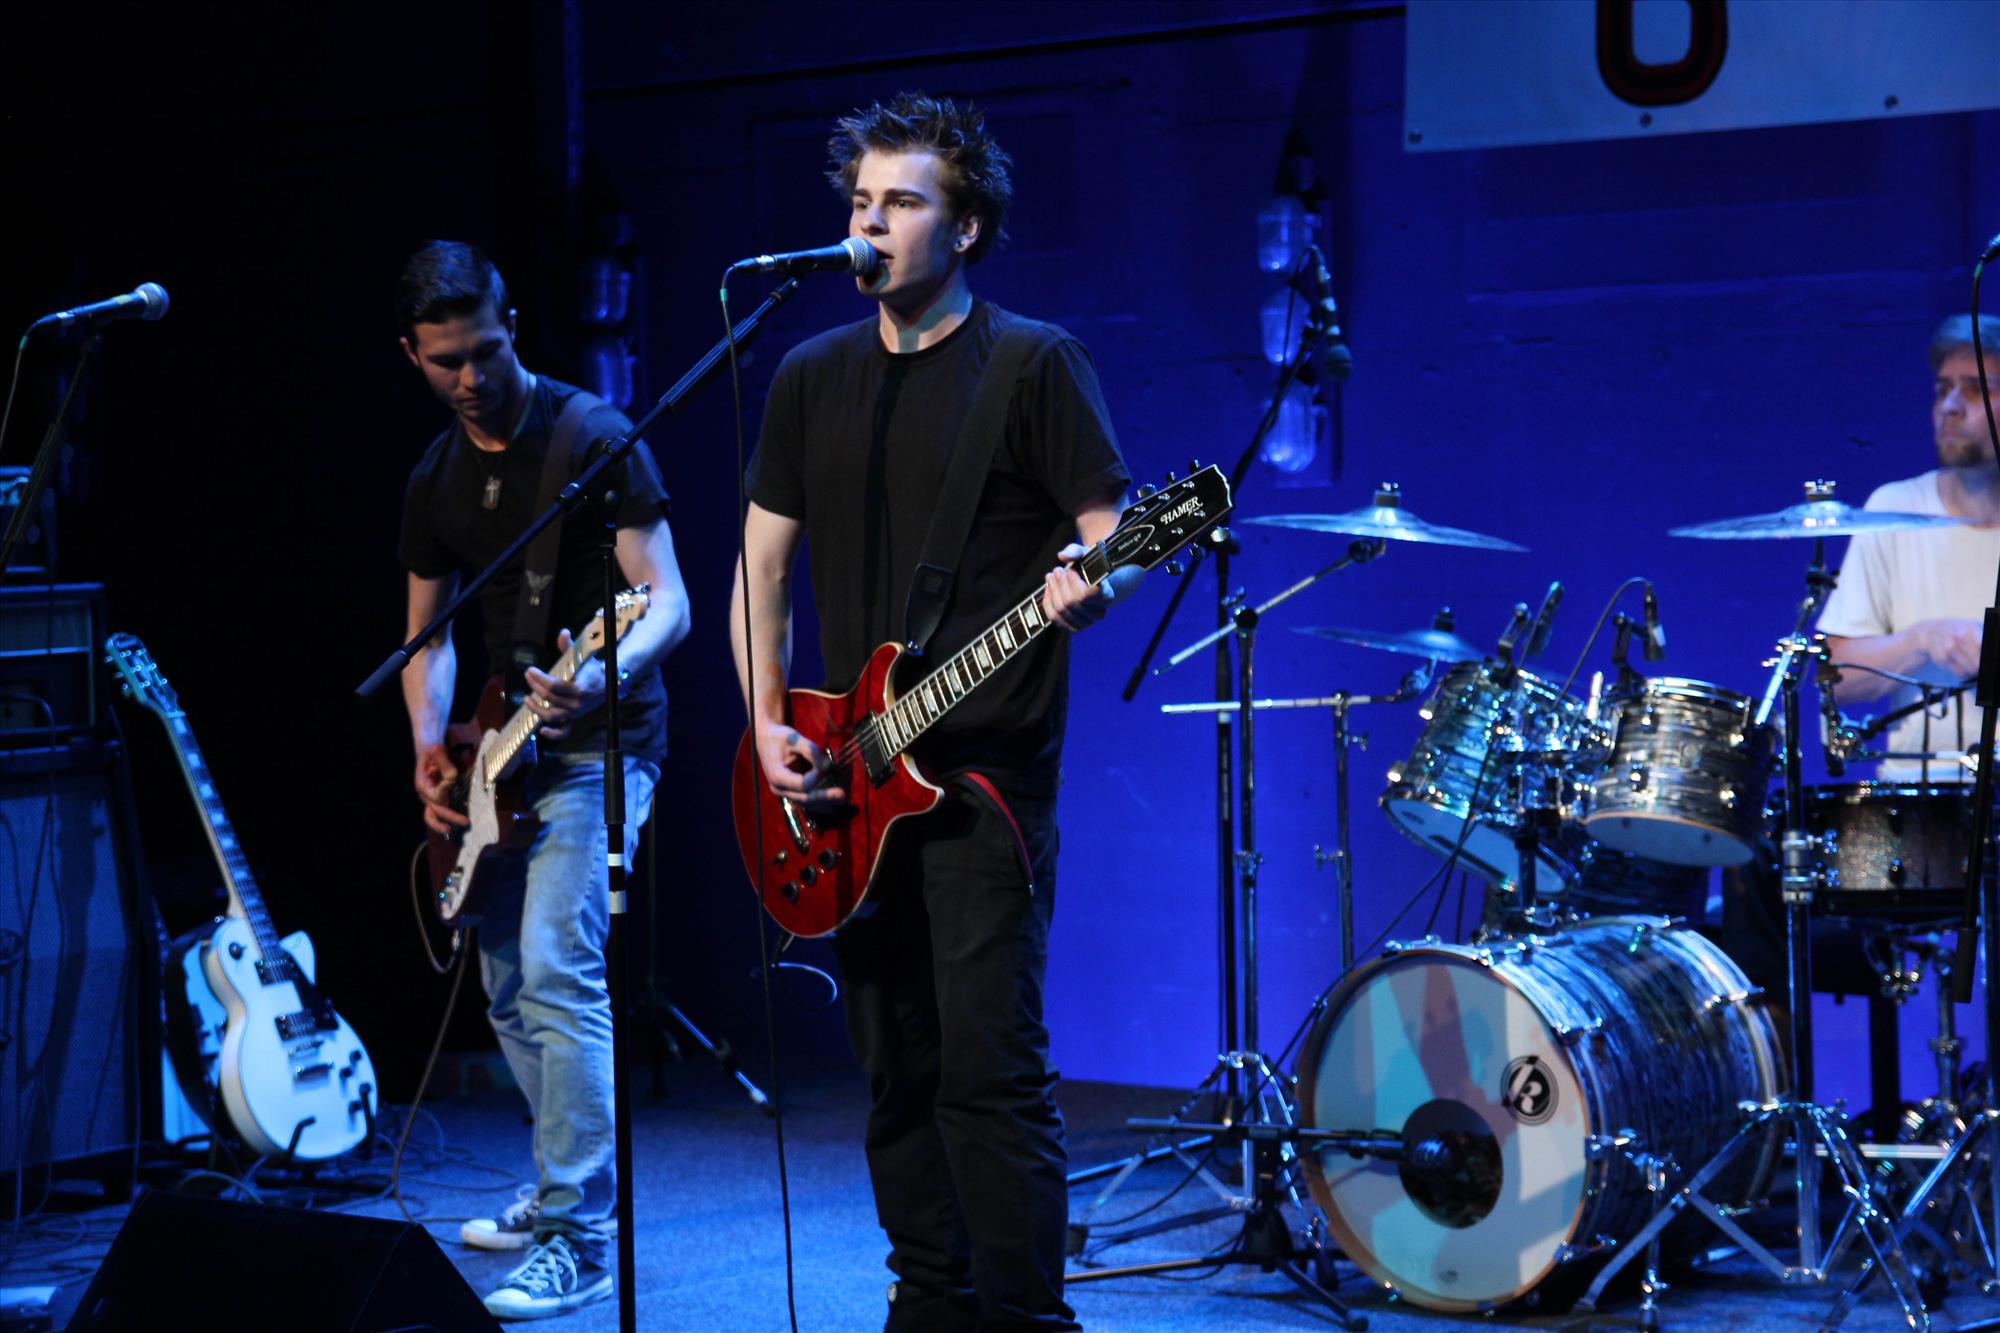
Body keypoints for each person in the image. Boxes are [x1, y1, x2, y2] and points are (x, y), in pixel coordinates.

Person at [729, 94, 1134, 1332]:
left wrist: (1092, 581)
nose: (869, 223)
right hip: (848, 775)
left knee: (986, 1069)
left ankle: (1025, 1317)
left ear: (963, 230)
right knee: (893, 1065)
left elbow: (1111, 531)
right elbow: (760, 567)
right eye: (859, 202)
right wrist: (764, 721)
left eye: (899, 203)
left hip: (981, 783)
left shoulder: (1031, 364)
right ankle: (928, 1298)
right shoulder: (810, 375)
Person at [395, 240, 691, 1320]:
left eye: (484, 350)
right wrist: (429, 746)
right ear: (412, 355)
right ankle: (558, 1183)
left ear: (511, 325)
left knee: (559, 967)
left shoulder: (592, 436)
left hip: (602, 742)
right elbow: (426, 637)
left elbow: (666, 600)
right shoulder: (435, 478)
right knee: (509, 985)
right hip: (500, 751)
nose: (470, 376)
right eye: (445, 361)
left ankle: (579, 1231)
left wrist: (604, 673)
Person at [1821, 313, 2000, 780]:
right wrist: (1922, 640)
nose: (1951, 407)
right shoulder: (1895, 509)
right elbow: (1834, 677)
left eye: (1976, 390)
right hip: (1920, 800)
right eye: (1943, 390)